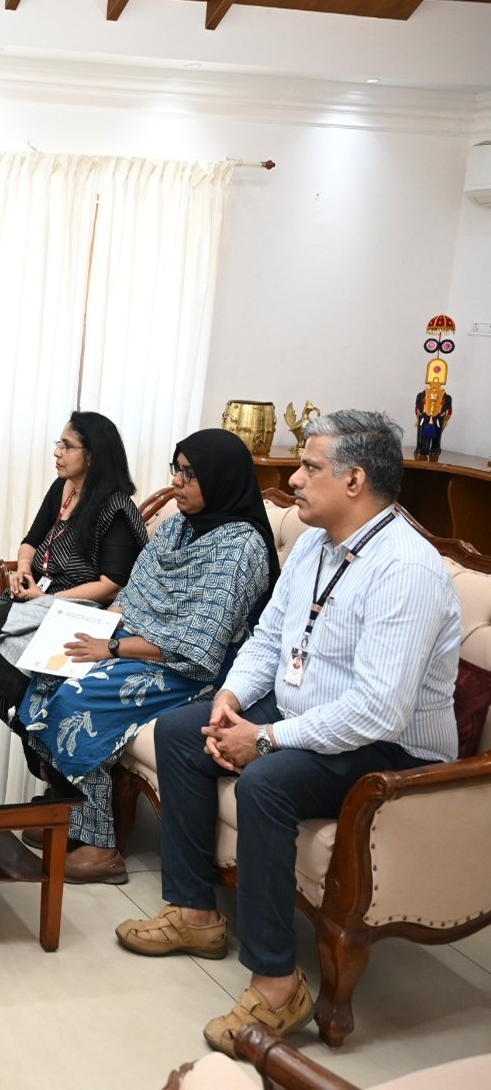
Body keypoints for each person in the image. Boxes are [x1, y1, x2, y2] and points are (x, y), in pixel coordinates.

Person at [115, 410, 460, 1057]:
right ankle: (195, 912)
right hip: (309, 713)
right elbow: (269, 639)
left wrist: (268, 739)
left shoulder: (406, 570)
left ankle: (277, 985)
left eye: (309, 467)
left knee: (267, 784)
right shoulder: (314, 546)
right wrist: (229, 699)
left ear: (354, 480)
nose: (294, 479)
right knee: (184, 730)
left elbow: (379, 711)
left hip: (390, 748)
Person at [17, 428, 279, 885]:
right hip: (136, 644)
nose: (177, 481)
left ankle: (101, 847)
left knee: (78, 699)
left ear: (220, 479)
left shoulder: (242, 547)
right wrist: (96, 631)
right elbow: (132, 595)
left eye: (190, 474)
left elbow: (199, 646)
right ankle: (69, 814)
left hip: (192, 671)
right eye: (177, 469)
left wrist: (112, 648)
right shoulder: (178, 525)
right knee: (47, 673)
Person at [0, 412, 149, 722]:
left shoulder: (116, 509)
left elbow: (111, 585)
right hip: (43, 593)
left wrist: (48, 599)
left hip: (83, 607)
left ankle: (8, 722)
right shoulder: (65, 488)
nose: (57, 452)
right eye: (58, 443)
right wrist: (23, 568)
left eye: (67, 446)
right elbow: (31, 541)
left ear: (92, 455)